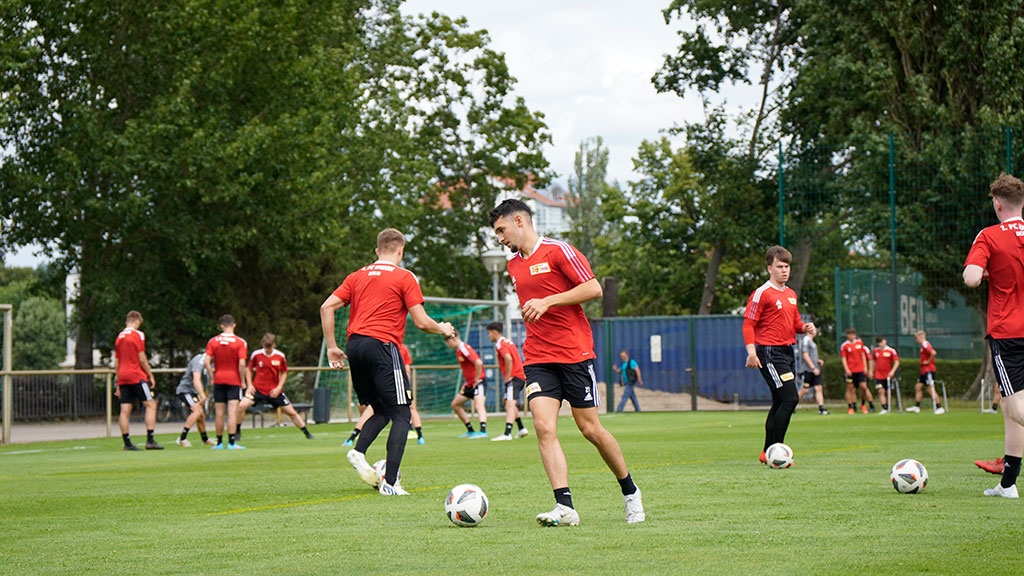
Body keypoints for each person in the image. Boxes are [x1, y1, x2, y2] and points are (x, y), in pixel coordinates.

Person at [489, 199, 644, 525]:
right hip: (537, 358)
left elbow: (593, 288)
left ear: (519, 220)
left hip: (574, 354)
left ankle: (630, 491)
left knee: (590, 429)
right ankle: (565, 506)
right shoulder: (513, 265)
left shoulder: (559, 251)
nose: (500, 238)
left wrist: (548, 301)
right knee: (544, 427)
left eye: (501, 230)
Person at [320, 228, 454, 496]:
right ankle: (391, 483)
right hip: (382, 345)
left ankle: (358, 452)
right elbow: (421, 322)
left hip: (354, 346)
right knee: (403, 413)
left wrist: (332, 348)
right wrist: (444, 329)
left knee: (381, 408)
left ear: (377, 251)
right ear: (401, 251)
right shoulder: (405, 277)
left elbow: (326, 307)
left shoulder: (357, 275)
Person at [964, 172, 1024, 498]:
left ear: (997, 204)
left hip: (1010, 332)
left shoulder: (989, 235)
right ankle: (1008, 484)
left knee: (1016, 409)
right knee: (1009, 409)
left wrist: (985, 270)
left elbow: (972, 278)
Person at [743, 246, 818, 465]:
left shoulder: (791, 295)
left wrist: (805, 327)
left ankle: (767, 451)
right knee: (790, 398)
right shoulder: (761, 293)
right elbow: (748, 324)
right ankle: (777, 452)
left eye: (787, 267)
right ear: (769, 268)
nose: (784, 271)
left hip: (786, 351)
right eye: (779, 267)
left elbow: (794, 323)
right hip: (768, 352)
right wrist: (751, 352)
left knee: (779, 401)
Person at [343, 343, 427, 446]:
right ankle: (355, 440)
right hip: (387, 384)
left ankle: (419, 436)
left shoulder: (400, 348)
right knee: (376, 410)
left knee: (407, 408)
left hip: (396, 384)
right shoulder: (380, 347)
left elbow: (407, 370)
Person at [236, 333, 314, 441]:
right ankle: (237, 432)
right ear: (262, 344)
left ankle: (307, 433)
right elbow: (248, 369)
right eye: (265, 346)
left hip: (273, 391)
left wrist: (278, 388)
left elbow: (284, 372)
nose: (267, 349)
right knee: (241, 406)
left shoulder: (280, 356)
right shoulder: (256, 355)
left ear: (274, 345)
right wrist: (250, 385)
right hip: (258, 389)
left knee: (291, 412)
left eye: (269, 347)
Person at [114, 310, 163, 451]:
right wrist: (150, 375)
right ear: (136, 321)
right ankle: (150, 440)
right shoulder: (138, 335)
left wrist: (118, 381)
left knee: (125, 410)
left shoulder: (119, 337)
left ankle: (127, 443)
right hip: (136, 375)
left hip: (123, 376)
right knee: (150, 405)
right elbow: (142, 358)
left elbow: (116, 362)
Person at [204, 314, 248, 449]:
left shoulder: (213, 341)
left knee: (219, 413)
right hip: (233, 380)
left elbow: (206, 362)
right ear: (234, 325)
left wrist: (211, 377)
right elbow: (241, 364)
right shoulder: (240, 342)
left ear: (221, 326)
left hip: (219, 379)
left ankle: (218, 442)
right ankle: (232, 442)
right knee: (232, 411)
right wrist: (243, 380)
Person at [486, 321, 529, 441]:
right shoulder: (507, 341)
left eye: (489, 333)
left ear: (495, 332)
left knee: (510, 403)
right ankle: (521, 428)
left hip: (514, 376)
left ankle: (507, 433)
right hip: (519, 376)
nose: (488, 336)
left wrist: (508, 376)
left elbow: (508, 358)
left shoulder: (500, 344)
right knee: (507, 401)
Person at [446, 329, 488, 439]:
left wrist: (477, 379)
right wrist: (467, 382)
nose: (447, 344)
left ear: (453, 339)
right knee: (455, 405)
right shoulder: (458, 350)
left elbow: (478, 362)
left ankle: (483, 431)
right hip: (469, 384)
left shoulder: (464, 349)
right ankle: (470, 430)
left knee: (479, 405)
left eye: (448, 341)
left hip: (478, 382)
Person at [174, 352, 216, 447]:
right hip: (186, 390)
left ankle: (205, 439)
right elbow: (196, 380)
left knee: (201, 415)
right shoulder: (199, 360)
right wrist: (203, 395)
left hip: (194, 392)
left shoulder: (212, 362)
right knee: (197, 410)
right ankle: (182, 438)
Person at [906, 330, 945, 414]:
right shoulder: (924, 345)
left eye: (917, 339)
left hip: (929, 370)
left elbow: (933, 353)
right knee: (918, 387)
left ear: (921, 337)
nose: (916, 341)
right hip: (924, 371)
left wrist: (928, 361)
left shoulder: (925, 344)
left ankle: (939, 407)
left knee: (930, 388)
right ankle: (916, 406)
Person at [840, 328, 874, 414]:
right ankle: (850, 407)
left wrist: (865, 367)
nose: (851, 336)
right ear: (847, 336)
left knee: (864, 387)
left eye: (853, 334)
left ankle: (863, 404)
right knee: (850, 388)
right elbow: (844, 358)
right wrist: (846, 369)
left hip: (860, 370)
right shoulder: (844, 345)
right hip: (851, 370)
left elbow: (863, 355)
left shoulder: (859, 343)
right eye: (850, 334)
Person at [796, 331, 828, 415]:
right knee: (805, 390)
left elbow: (810, 356)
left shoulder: (811, 341)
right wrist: (813, 368)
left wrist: (817, 361)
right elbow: (805, 356)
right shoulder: (806, 340)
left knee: (818, 388)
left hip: (814, 369)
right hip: (808, 370)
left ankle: (821, 409)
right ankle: (790, 405)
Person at [870, 336, 900, 415]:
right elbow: (873, 361)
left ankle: (888, 406)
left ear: (885, 341)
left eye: (881, 341)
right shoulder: (876, 351)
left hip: (887, 376)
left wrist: (892, 371)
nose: (880, 344)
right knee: (881, 391)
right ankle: (884, 407)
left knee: (887, 391)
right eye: (878, 342)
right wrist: (871, 371)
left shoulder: (891, 351)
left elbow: (896, 362)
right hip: (878, 375)